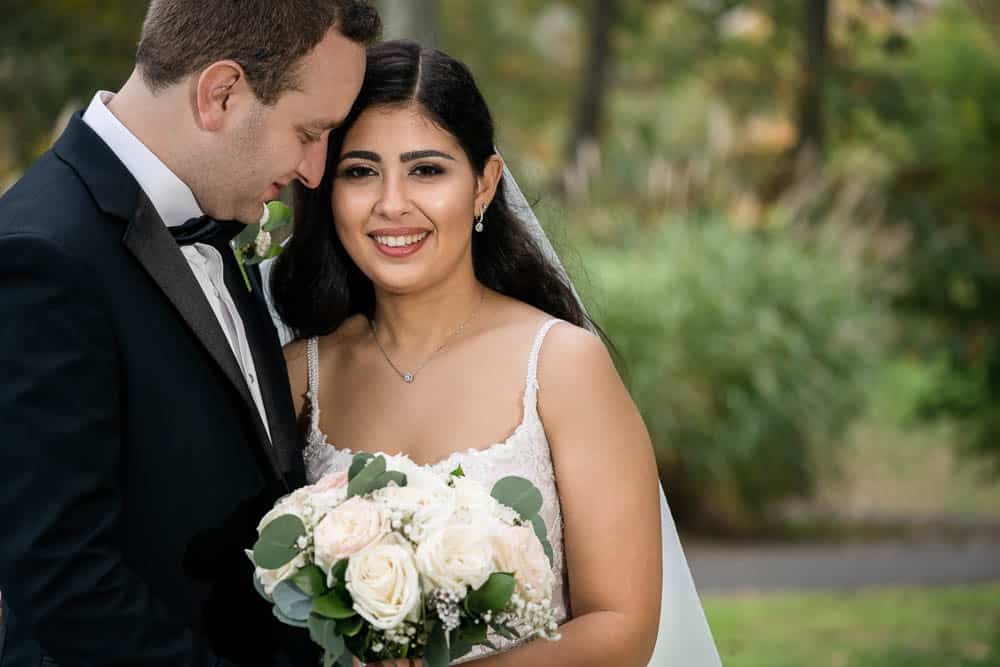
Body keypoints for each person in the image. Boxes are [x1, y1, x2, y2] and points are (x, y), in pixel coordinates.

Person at [269, 40, 722, 666]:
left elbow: (623, 626)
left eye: (427, 170)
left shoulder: (560, 366)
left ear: (484, 184)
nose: (391, 204)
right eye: (360, 171)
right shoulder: (300, 377)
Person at [0, 2, 380, 665]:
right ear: (221, 93)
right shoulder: (41, 256)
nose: (316, 171)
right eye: (310, 130)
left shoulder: (203, 209)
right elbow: (66, 583)